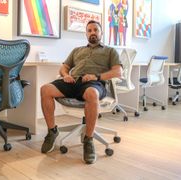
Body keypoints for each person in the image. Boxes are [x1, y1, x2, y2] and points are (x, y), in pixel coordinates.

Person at [40, 20, 122, 164]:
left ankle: (88, 140)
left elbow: (118, 71)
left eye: (96, 30)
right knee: (45, 89)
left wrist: (97, 76)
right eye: (89, 30)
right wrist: (66, 75)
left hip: (94, 83)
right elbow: (64, 67)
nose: (93, 33)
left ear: (101, 33)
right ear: (86, 34)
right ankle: (52, 131)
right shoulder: (77, 50)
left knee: (91, 93)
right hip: (73, 82)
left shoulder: (110, 51)